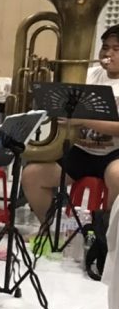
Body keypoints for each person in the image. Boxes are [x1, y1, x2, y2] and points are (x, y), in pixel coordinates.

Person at [22, 26, 119, 220]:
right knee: (32, 174)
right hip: (79, 150)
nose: (108, 54)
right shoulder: (87, 74)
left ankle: (106, 231)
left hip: (114, 154)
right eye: (105, 47)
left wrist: (83, 119)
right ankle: (47, 228)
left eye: (116, 49)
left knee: (117, 176)